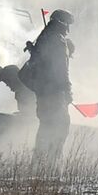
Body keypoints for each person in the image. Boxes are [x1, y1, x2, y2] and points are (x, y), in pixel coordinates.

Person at [19, 9, 76, 162]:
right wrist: (68, 91)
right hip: (55, 94)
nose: (68, 29)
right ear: (63, 23)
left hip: (43, 93)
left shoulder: (44, 38)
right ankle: (50, 164)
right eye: (68, 24)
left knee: (45, 127)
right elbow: (61, 71)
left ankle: (39, 162)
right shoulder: (58, 41)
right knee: (60, 127)